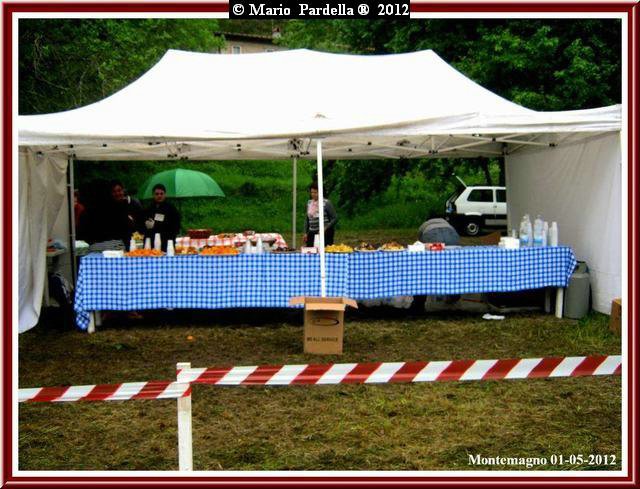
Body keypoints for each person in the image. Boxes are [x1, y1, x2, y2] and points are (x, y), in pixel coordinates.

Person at [411, 217, 461, 314]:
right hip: (452, 235)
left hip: (432, 237)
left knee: (425, 268)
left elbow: (420, 243)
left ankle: (419, 302)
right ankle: (454, 295)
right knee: (452, 266)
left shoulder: (424, 225)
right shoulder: (446, 223)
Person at [144, 183, 181, 251]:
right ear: (153, 195)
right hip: (152, 244)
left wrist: (156, 225)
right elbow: (142, 224)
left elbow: (176, 226)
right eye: (157, 194)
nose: (159, 196)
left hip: (167, 243)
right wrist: (146, 225)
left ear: (165, 194)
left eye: (161, 194)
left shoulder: (171, 208)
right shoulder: (149, 209)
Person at [303, 181, 338, 247]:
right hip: (311, 232)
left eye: (315, 192)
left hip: (324, 233)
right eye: (312, 192)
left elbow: (335, 218)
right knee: (311, 250)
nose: (313, 194)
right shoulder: (309, 203)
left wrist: (325, 228)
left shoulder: (326, 203)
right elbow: (307, 219)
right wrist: (305, 232)